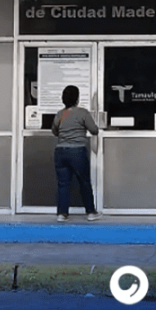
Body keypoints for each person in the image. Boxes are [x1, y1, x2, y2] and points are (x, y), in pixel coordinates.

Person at [51, 85, 100, 222]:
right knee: (84, 182)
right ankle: (91, 212)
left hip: (60, 152)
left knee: (63, 183)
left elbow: (55, 131)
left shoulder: (60, 114)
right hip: (77, 151)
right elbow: (94, 130)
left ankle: (62, 214)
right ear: (77, 98)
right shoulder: (82, 113)